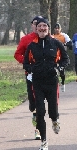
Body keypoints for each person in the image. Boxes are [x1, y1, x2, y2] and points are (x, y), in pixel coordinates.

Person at [23, 18, 70, 150]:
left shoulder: (55, 43)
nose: (42, 28)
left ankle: (55, 120)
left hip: (51, 81)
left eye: (45, 26)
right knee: (40, 112)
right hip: (37, 81)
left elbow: (66, 59)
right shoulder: (32, 46)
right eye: (40, 26)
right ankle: (44, 141)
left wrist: (58, 68)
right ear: (36, 29)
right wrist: (31, 69)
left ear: (48, 28)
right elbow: (25, 63)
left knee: (52, 111)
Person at [14, 16, 43, 140]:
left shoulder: (49, 39)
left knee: (42, 102)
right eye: (35, 24)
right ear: (32, 25)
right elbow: (17, 54)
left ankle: (39, 129)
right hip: (31, 75)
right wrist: (27, 63)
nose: (38, 26)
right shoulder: (26, 39)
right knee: (34, 102)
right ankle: (37, 123)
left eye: (41, 24)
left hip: (46, 76)